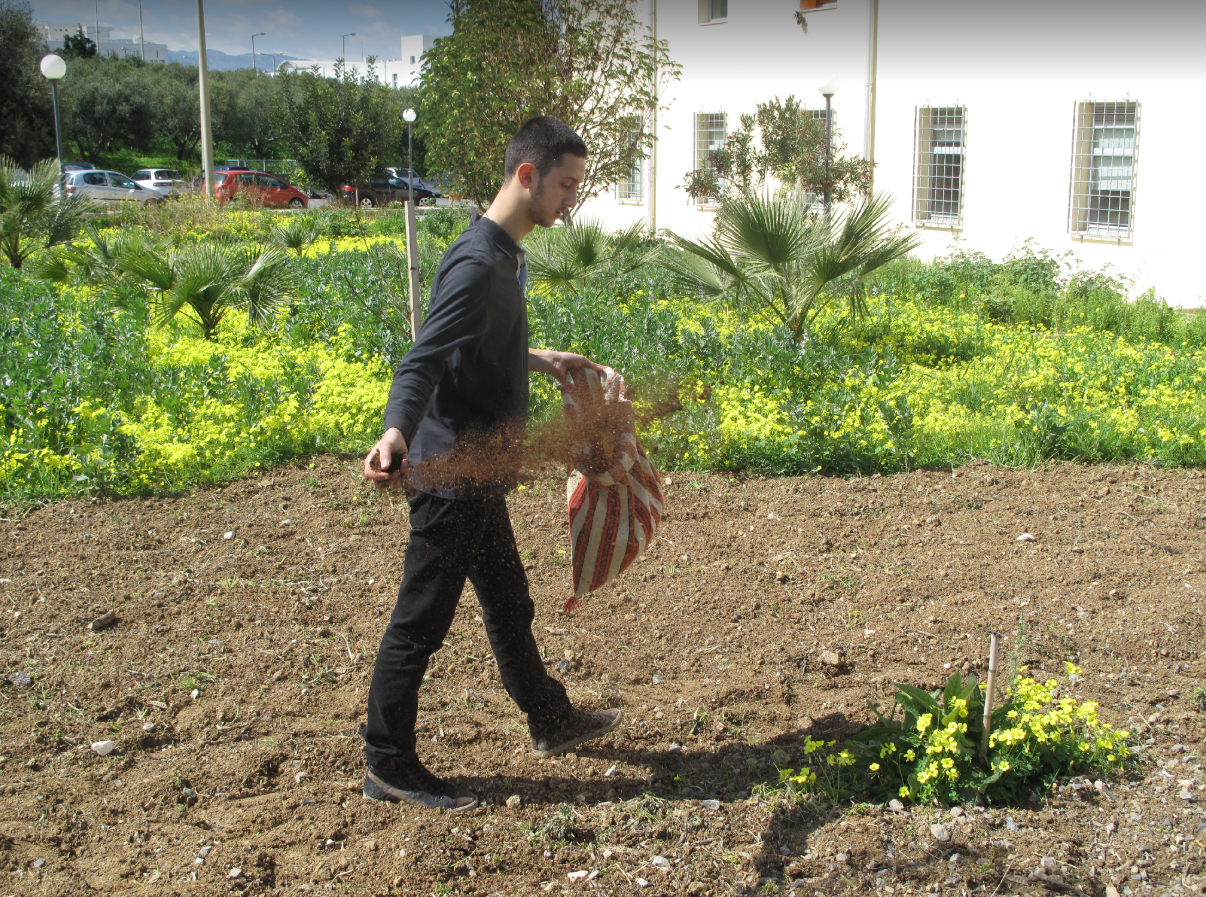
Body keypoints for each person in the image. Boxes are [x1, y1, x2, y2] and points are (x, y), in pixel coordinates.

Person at [360, 116, 623, 812]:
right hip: (451, 474)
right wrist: (395, 432)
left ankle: (550, 718)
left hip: (481, 472)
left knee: (509, 603)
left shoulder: (502, 251)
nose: (572, 199)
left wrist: (539, 357)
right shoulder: (479, 263)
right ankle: (388, 762)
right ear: (527, 175)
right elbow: (423, 357)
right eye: (566, 184)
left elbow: (473, 341)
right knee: (419, 623)